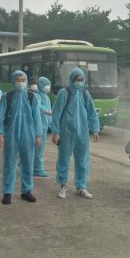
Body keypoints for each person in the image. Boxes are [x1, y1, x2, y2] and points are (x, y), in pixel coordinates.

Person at [51, 67, 100, 200]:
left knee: (82, 161)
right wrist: (55, 132)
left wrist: (95, 129)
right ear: (71, 80)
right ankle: (63, 186)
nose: (79, 82)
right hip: (66, 133)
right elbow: (56, 114)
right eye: (76, 79)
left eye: (81, 79)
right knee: (63, 160)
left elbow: (92, 112)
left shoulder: (84, 93)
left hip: (82, 134)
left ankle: (81, 187)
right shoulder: (64, 93)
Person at [0, 70, 42, 205]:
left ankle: (26, 191)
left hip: (28, 134)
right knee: (9, 163)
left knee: (28, 162)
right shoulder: (7, 97)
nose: (21, 83)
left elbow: (37, 118)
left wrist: (38, 135)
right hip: (11, 134)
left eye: (23, 80)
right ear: (13, 81)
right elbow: (0, 117)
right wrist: (0, 134)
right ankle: (7, 192)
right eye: (18, 80)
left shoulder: (32, 97)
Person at [33, 76, 52, 177]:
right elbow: (37, 106)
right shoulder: (37, 96)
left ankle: (34, 167)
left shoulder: (47, 97)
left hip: (44, 126)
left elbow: (50, 112)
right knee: (38, 148)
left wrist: (52, 125)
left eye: (48, 85)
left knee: (39, 148)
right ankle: (37, 169)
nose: (48, 87)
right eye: (45, 85)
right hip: (38, 126)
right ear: (40, 85)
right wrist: (45, 110)